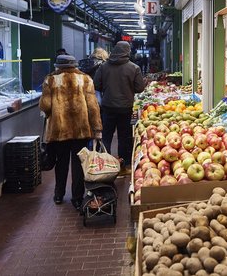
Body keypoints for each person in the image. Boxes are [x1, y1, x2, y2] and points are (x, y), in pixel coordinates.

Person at [39, 55, 102, 209]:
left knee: (61, 163)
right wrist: (97, 128)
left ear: (57, 66)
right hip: (81, 129)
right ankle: (77, 198)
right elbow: (93, 106)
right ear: (75, 64)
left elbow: (45, 106)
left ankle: (59, 195)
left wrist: (50, 111)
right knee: (79, 163)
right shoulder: (85, 79)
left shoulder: (50, 80)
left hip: (59, 129)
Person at [94, 41, 146, 172]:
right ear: (127, 52)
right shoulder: (134, 68)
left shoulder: (104, 67)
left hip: (108, 107)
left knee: (106, 136)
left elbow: (96, 85)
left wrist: (108, 89)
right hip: (125, 108)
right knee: (124, 137)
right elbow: (140, 88)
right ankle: (124, 165)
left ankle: (104, 165)